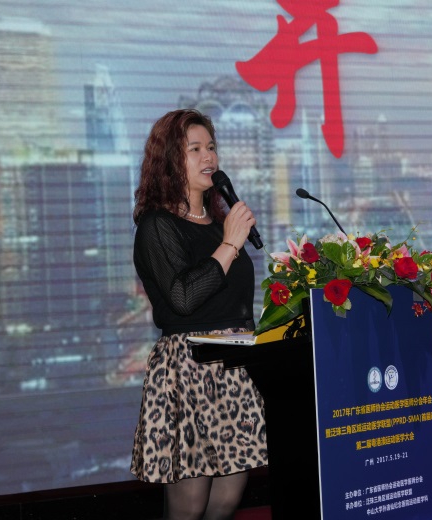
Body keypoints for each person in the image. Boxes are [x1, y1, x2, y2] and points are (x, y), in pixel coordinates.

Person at [130, 109, 268, 520]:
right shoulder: (157, 226)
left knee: (226, 501)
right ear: (169, 160)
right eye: (194, 149)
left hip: (235, 369)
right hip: (188, 369)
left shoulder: (220, 224)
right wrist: (230, 245)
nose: (208, 156)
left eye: (211, 147)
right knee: (189, 507)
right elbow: (183, 297)